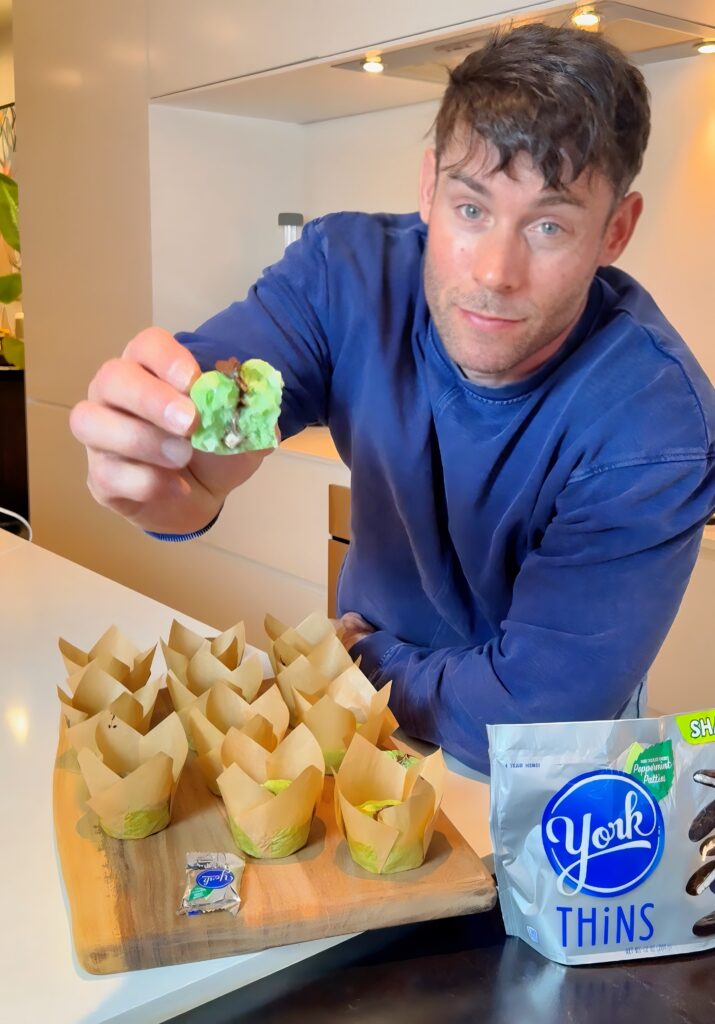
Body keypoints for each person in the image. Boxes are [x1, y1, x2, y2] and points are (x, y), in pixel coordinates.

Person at [70, 23, 715, 773]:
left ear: (615, 231)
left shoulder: (655, 423)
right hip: (357, 708)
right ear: (429, 187)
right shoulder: (344, 276)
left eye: (548, 225)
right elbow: (212, 393)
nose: (495, 272)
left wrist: (365, 661)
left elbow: (534, 714)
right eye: (470, 209)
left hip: (526, 761)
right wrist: (166, 462)